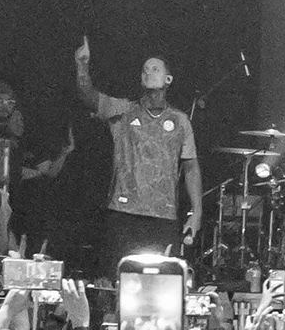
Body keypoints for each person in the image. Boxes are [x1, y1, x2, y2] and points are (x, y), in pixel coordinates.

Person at [71, 39, 205, 269]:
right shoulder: (123, 111)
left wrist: (197, 212)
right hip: (124, 213)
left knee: (161, 278)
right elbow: (88, 96)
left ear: (168, 80)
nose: (148, 72)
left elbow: (191, 167)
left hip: (163, 215)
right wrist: (82, 65)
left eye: (155, 69)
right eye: (144, 70)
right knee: (122, 276)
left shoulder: (180, 121)